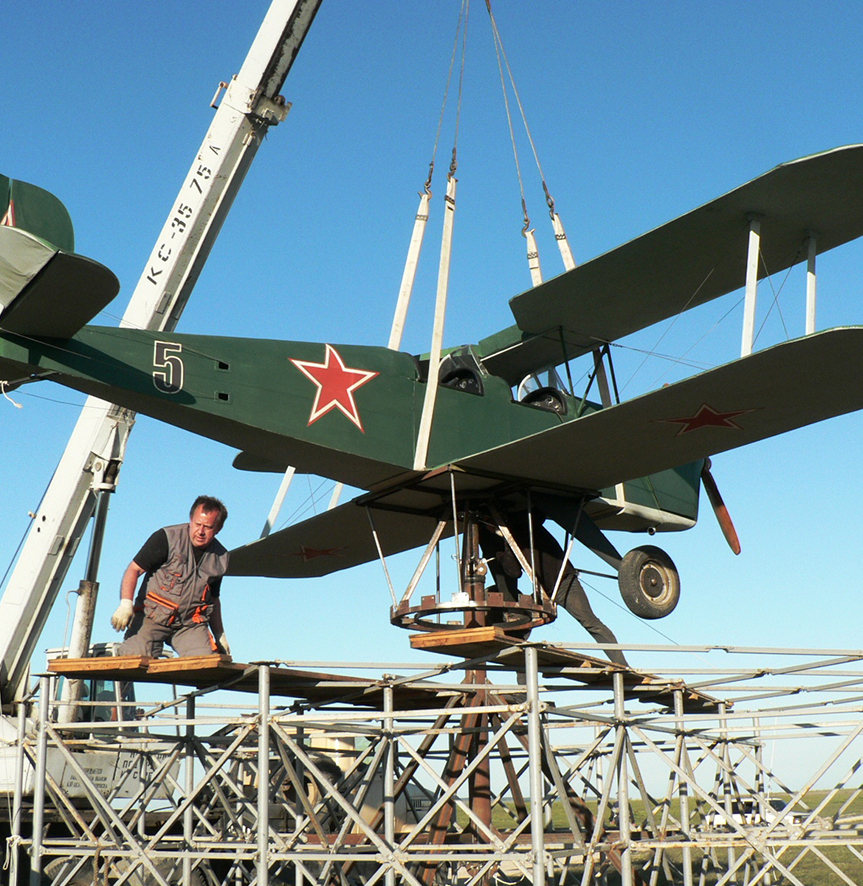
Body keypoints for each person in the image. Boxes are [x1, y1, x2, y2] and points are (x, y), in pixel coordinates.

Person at [478, 512, 628, 667]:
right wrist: (505, 543)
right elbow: (514, 572)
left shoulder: (526, 526)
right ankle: (522, 682)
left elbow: (538, 515)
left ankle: (622, 665)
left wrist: (507, 531)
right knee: (518, 627)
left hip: (563, 583)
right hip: (542, 591)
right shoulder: (504, 544)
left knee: (591, 622)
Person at [111, 496, 231, 658]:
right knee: (133, 658)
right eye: (197, 524)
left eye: (207, 527)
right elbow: (134, 570)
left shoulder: (221, 557)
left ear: (219, 528)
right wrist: (125, 604)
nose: (200, 532)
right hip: (152, 618)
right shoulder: (166, 538)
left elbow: (214, 599)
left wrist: (219, 635)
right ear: (190, 519)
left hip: (188, 625)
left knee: (207, 663)